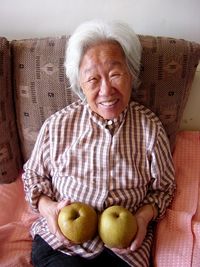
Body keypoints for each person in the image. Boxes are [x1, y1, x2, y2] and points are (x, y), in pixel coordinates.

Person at [22, 20, 176, 267]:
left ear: (132, 73)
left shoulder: (150, 128)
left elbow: (165, 188)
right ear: (79, 83)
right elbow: (33, 175)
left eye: (115, 74)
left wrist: (144, 217)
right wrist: (48, 208)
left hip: (125, 249)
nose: (106, 90)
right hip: (63, 245)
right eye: (93, 79)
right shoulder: (58, 125)